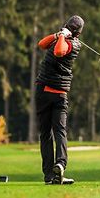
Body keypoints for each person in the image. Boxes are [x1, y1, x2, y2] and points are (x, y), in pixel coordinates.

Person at [35, 15, 84, 185]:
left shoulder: (74, 44)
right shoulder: (63, 39)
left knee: (54, 133)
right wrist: (57, 35)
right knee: (51, 133)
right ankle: (52, 173)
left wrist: (63, 36)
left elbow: (59, 51)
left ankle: (58, 167)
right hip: (46, 92)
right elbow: (41, 44)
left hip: (57, 94)